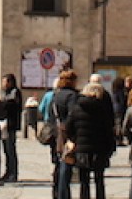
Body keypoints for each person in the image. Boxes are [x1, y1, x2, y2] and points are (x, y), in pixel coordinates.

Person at [67, 81, 115, 199]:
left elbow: (68, 127)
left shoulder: (76, 108)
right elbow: (108, 130)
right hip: (99, 149)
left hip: (82, 149)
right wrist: (110, 148)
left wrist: (75, 139)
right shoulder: (102, 109)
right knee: (99, 181)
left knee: (84, 182)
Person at [51, 69, 80, 199]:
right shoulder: (72, 96)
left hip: (57, 131)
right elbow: (73, 114)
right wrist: (72, 134)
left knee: (59, 162)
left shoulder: (56, 95)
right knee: (66, 163)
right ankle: (64, 194)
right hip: (67, 132)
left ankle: (57, 192)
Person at [1, 73, 22, 182]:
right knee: (6, 150)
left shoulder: (15, 92)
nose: (3, 84)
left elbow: (12, 106)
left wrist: (3, 104)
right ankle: (8, 171)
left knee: (11, 150)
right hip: (4, 124)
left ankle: (13, 173)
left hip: (11, 125)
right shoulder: (5, 93)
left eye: (5, 81)